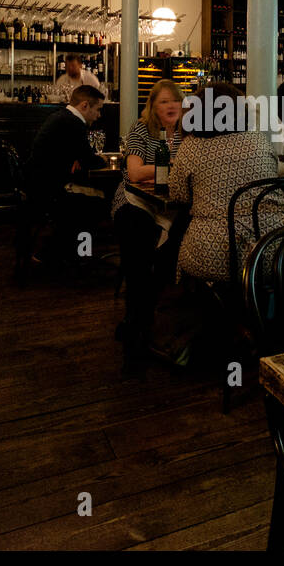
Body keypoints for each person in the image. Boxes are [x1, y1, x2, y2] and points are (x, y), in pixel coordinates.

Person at [170, 82, 284, 283]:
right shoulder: (260, 140)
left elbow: (178, 195)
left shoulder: (190, 147)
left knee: (179, 230)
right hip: (281, 248)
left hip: (219, 253)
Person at [111, 79, 185, 373]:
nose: (170, 106)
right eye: (164, 101)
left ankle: (142, 319)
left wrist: (161, 171)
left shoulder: (185, 133)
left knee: (170, 253)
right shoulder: (142, 130)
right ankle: (135, 330)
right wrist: (170, 168)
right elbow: (134, 172)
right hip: (134, 201)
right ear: (153, 105)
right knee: (139, 249)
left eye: (175, 101)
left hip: (170, 208)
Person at [24, 86, 108, 268]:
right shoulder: (74, 123)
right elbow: (90, 161)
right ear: (85, 105)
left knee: (90, 199)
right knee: (98, 203)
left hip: (37, 184)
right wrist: (101, 159)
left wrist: (81, 159)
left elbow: (77, 157)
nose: (99, 115)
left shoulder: (61, 117)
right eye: (98, 109)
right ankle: (78, 254)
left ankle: (65, 250)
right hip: (49, 191)